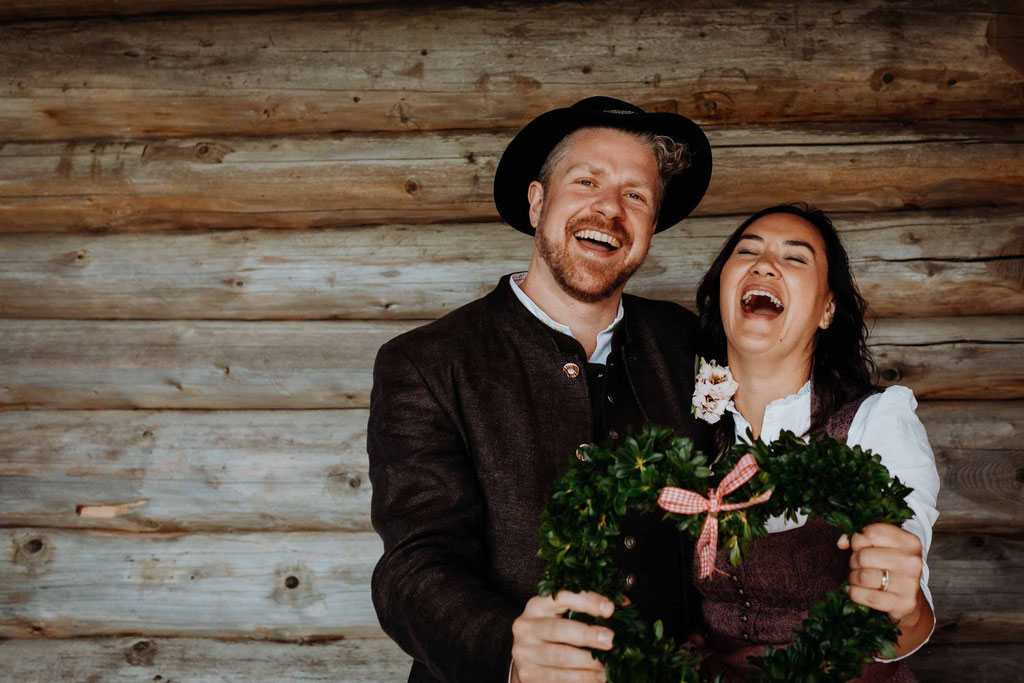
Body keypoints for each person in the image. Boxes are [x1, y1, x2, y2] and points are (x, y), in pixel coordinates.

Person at [367, 96, 715, 682]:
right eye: (586, 182)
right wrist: (510, 652)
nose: (609, 209)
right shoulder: (426, 363)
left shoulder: (688, 343)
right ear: (536, 203)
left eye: (636, 196)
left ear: (651, 226)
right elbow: (414, 565)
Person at [690, 203, 940, 681]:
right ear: (721, 289)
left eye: (796, 258)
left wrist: (901, 607)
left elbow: (908, 614)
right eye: (747, 252)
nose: (764, 265)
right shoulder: (688, 426)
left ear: (828, 309)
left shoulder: (876, 423)